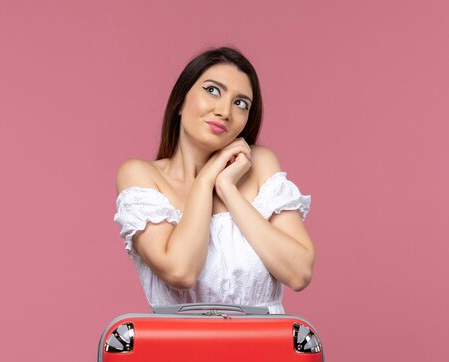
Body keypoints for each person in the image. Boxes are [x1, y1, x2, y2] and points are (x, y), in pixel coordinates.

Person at [113, 46, 315, 314]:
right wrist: (206, 179)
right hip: (180, 352)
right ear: (180, 102)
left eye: (240, 103)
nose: (225, 111)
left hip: (267, 351)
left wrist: (227, 189)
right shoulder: (140, 176)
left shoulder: (260, 164)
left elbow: (299, 272)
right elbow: (181, 270)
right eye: (212, 90)